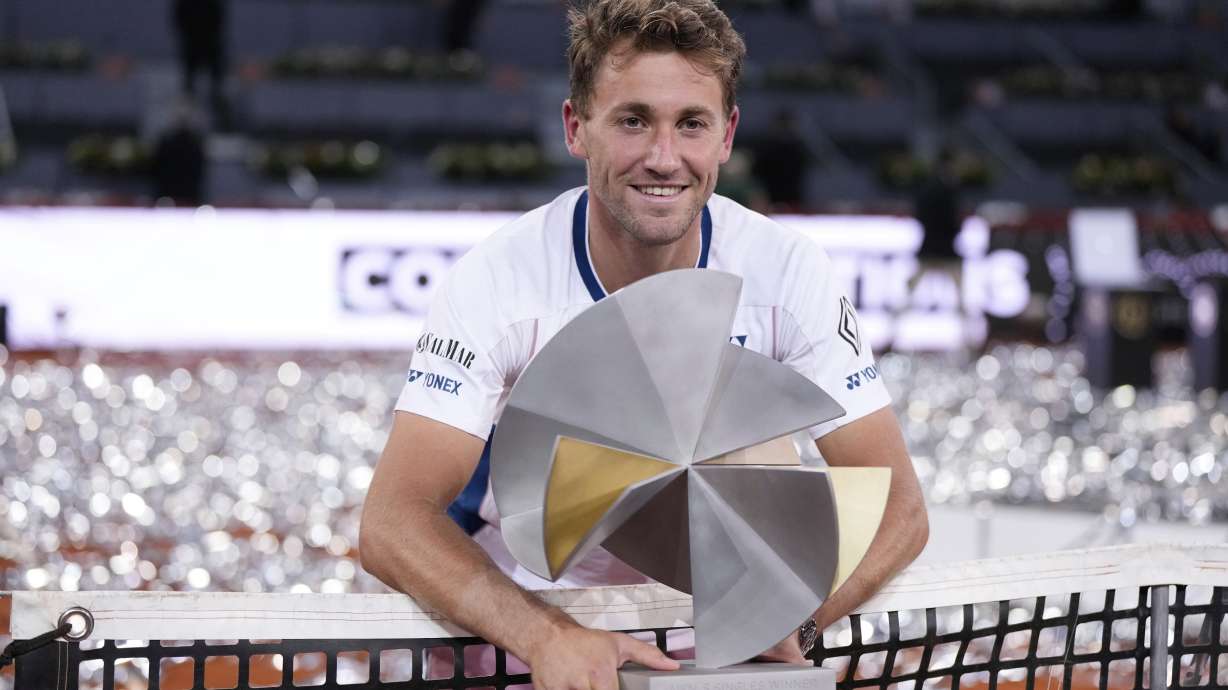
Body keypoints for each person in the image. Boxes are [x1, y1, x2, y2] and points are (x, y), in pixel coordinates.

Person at [359, 0, 928, 688]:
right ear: (576, 128)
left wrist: (798, 622)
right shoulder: (497, 281)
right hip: (520, 625)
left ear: (727, 136)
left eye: (692, 124)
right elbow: (392, 521)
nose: (664, 158)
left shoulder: (786, 271)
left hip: (713, 632)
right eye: (633, 120)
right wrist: (547, 636)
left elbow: (900, 506)